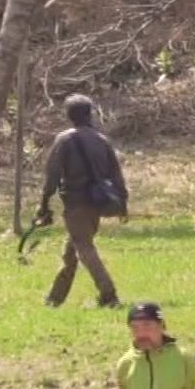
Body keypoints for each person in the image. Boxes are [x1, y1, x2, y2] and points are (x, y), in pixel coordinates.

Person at [38, 93, 127, 307]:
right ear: (90, 114)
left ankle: (108, 294)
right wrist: (122, 202)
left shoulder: (65, 139)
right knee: (71, 252)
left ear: (68, 115)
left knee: (83, 248)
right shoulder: (101, 140)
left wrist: (44, 207)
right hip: (96, 203)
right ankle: (54, 299)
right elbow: (116, 173)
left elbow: (52, 176)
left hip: (76, 203)